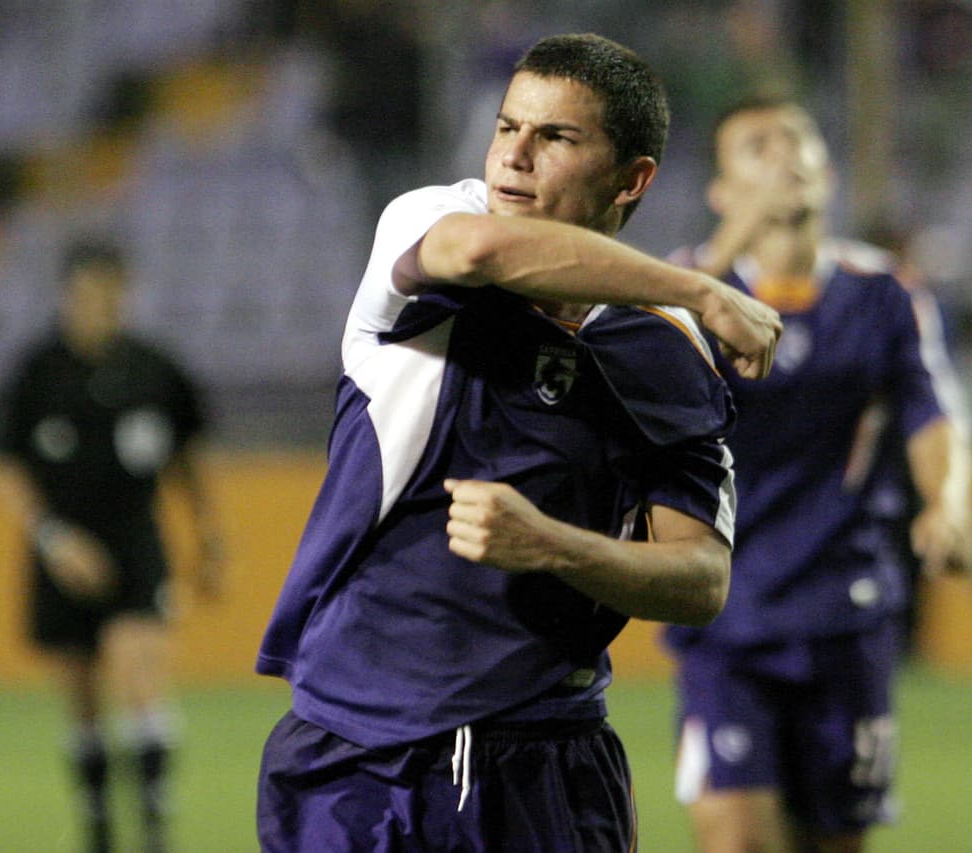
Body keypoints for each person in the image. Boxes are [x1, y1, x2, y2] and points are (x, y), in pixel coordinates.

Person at [253, 33, 781, 852]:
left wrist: (554, 546)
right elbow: (481, 250)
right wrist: (699, 286)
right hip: (357, 752)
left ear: (632, 177)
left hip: (547, 760)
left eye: (556, 138)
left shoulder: (665, 351)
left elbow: (701, 576)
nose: (513, 158)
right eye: (507, 128)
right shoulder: (432, 223)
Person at [663, 96, 972, 853]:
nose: (783, 159)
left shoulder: (885, 293)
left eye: (797, 143)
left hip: (846, 610)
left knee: (834, 842)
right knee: (737, 840)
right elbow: (658, 368)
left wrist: (948, 502)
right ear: (721, 191)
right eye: (757, 148)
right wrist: (735, 241)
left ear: (827, 173)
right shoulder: (682, 290)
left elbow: (933, 409)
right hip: (727, 617)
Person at [0, 237, 226, 853]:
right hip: (62, 549)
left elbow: (189, 459)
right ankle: (98, 828)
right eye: (88, 294)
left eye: (111, 293)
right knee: (81, 697)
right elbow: (7, 467)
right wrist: (52, 538)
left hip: (136, 540)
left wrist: (210, 540)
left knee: (140, 671)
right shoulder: (37, 370)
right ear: (67, 295)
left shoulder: (153, 366)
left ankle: (153, 828)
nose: (101, 306)